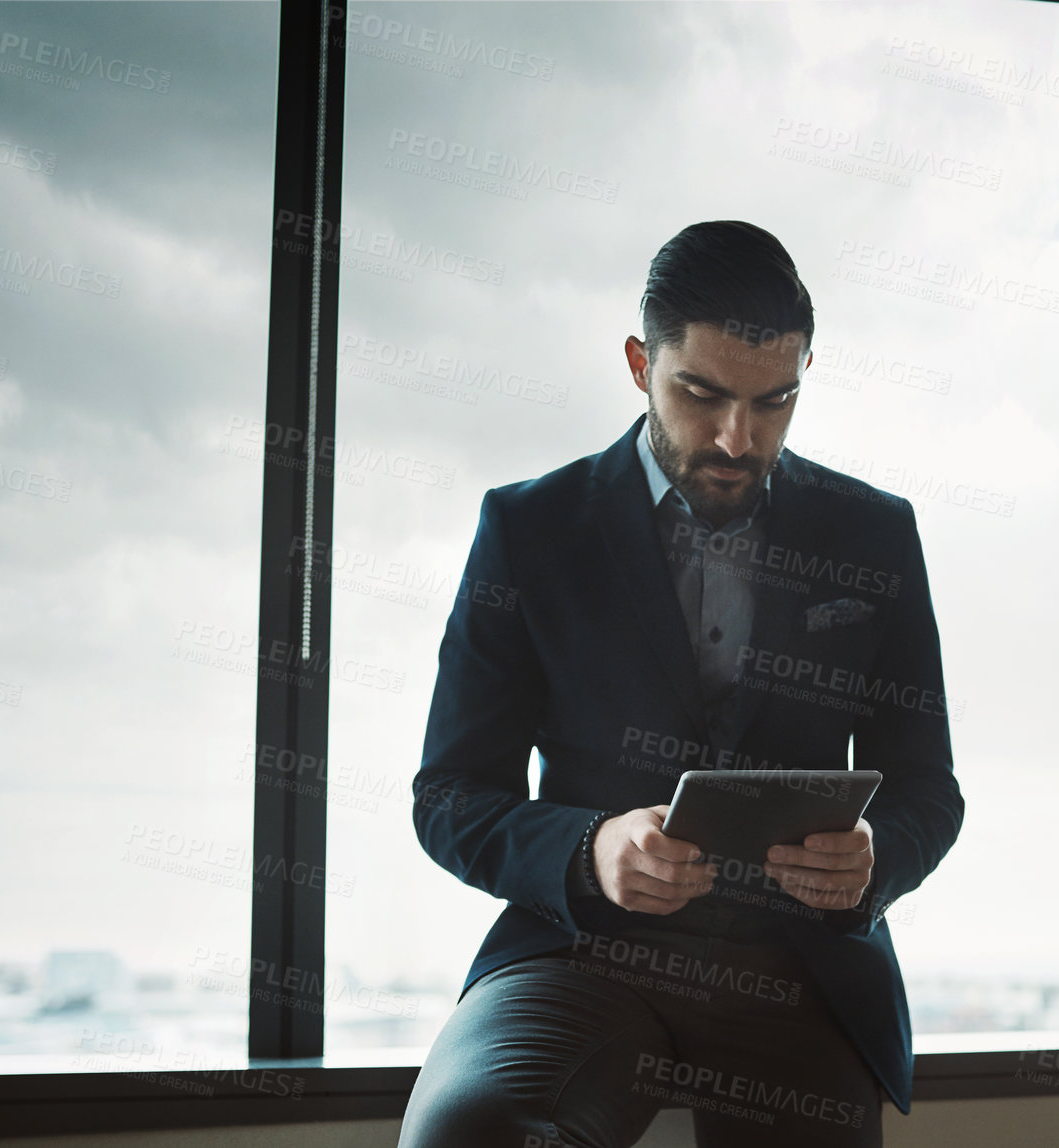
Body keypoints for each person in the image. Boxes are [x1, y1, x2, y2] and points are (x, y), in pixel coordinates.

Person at [398, 220, 964, 1147]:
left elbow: (926, 788)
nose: (737, 439)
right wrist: (588, 850)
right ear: (637, 364)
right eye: (700, 394)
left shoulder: (875, 536)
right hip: (580, 956)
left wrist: (875, 860)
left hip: (800, 968)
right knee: (466, 1137)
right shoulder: (528, 530)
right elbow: (449, 796)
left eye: (773, 402)